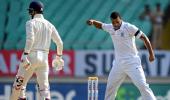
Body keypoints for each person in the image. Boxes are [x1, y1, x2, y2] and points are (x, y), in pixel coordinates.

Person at [87, 11, 156, 100]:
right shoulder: (110, 27)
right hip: (118, 64)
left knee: (142, 85)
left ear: (121, 19)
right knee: (110, 88)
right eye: (113, 22)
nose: (115, 24)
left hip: (132, 62)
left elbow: (145, 38)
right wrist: (93, 21)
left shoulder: (129, 27)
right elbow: (101, 25)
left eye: (117, 22)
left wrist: (151, 54)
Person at [10, 1, 64, 100]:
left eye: (30, 11)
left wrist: (25, 54)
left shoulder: (30, 23)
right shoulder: (49, 25)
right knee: (44, 88)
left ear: (33, 11)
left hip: (30, 56)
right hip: (44, 59)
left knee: (19, 85)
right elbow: (60, 43)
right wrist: (59, 57)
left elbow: (30, 39)